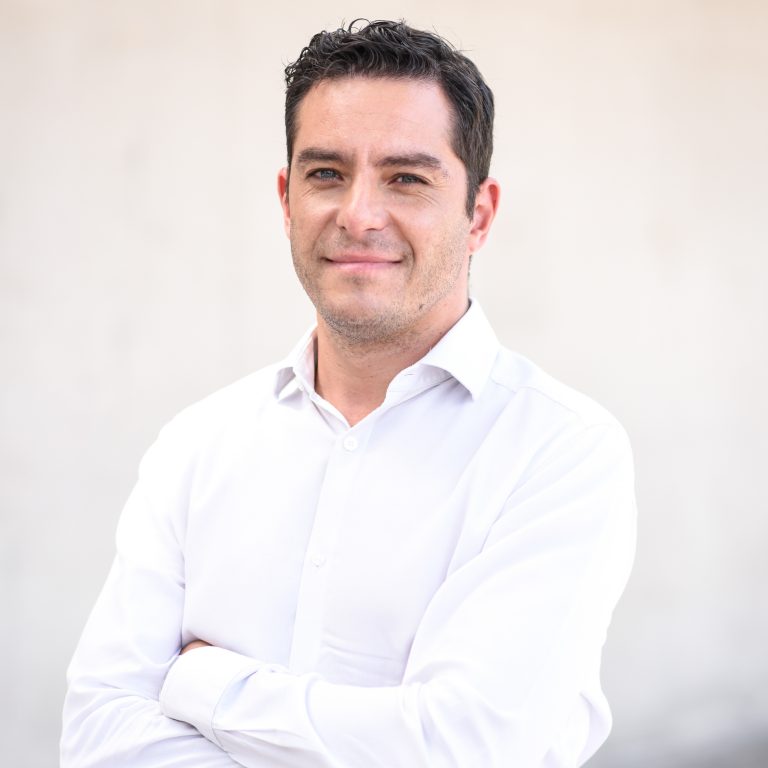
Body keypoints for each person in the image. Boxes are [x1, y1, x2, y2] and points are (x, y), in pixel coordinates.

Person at [61, 19, 636, 768]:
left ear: (479, 215)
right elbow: (98, 738)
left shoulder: (559, 450)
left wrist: (204, 684)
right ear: (286, 199)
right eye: (327, 173)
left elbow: (467, 748)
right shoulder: (197, 445)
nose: (358, 214)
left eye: (407, 178)